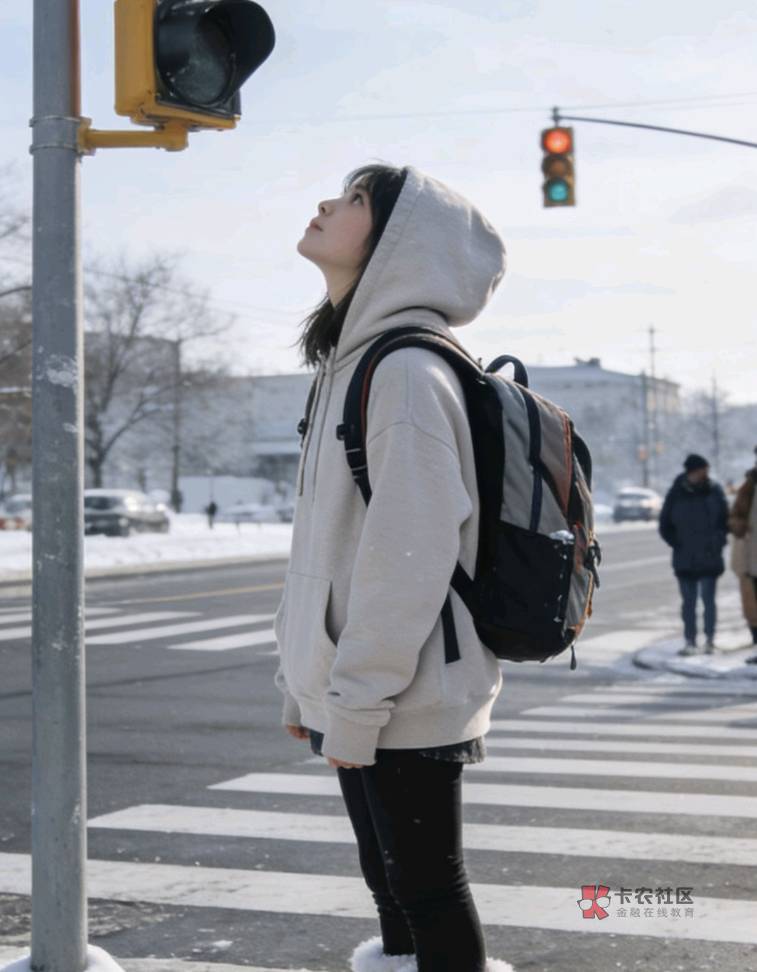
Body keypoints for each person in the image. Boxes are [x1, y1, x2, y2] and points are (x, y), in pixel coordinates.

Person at [272, 164, 512, 972]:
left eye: (352, 199)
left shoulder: (406, 373)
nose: (324, 203)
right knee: (392, 884)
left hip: (405, 684)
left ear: (397, 241)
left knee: (425, 887)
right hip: (364, 683)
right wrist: (305, 681)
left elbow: (407, 557)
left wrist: (357, 696)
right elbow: (325, 542)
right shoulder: (351, 363)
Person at [659, 454, 729, 656]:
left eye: (706, 470)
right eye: (701, 470)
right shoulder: (676, 493)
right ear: (692, 472)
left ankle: (710, 640)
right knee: (688, 603)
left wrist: (718, 541)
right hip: (685, 558)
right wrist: (678, 544)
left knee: (709, 601)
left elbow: (724, 521)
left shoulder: (714, 491)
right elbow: (665, 525)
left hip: (710, 556)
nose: (705, 474)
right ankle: (690, 640)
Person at [728, 447, 757, 662]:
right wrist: (739, 525)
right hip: (751, 555)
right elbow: (736, 516)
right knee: (752, 604)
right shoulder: (749, 486)